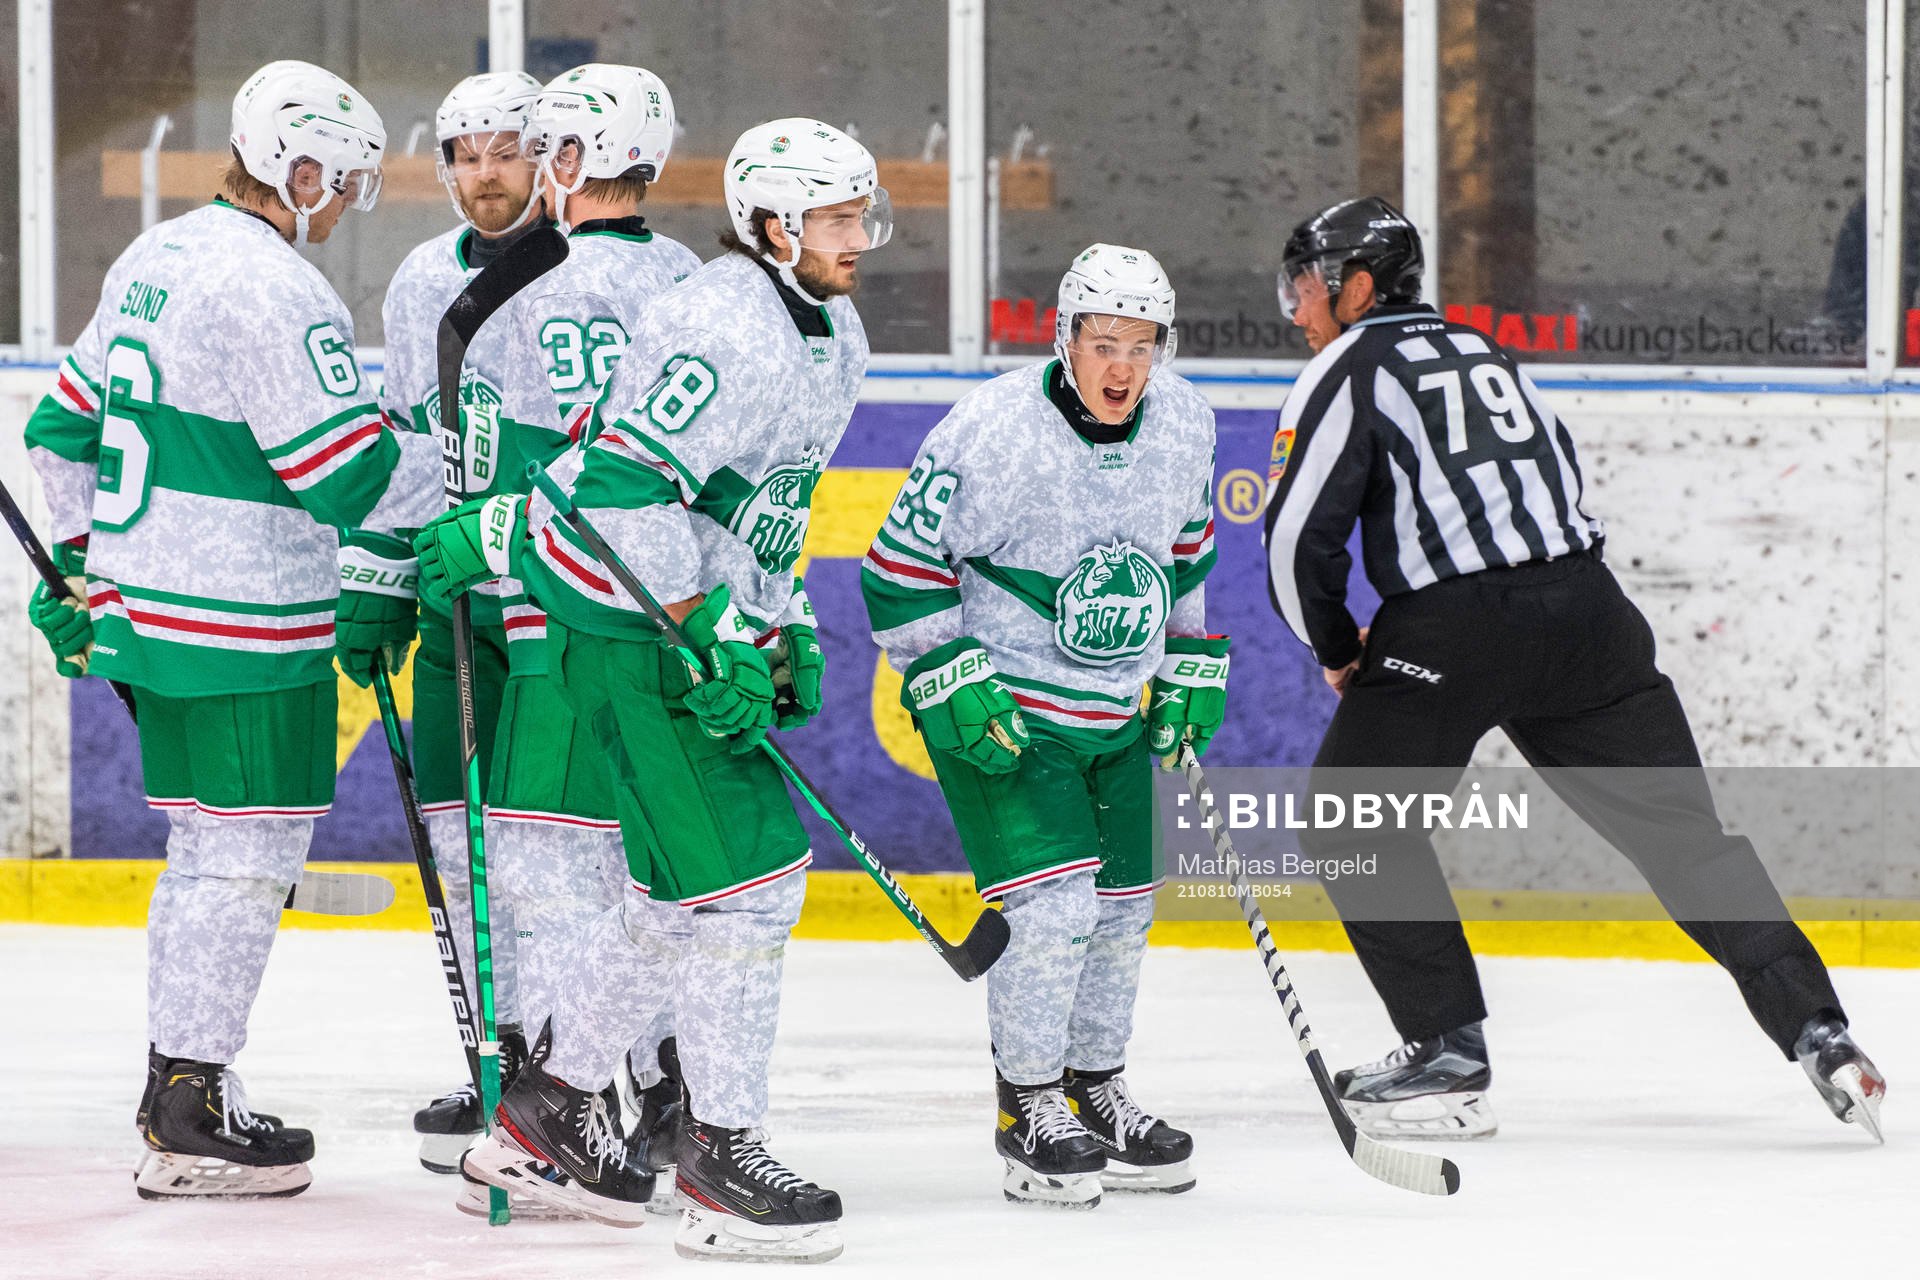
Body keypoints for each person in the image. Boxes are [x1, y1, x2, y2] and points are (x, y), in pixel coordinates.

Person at [1261, 195, 1887, 1144]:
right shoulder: (1490, 353)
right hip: (1591, 614)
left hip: (1455, 629)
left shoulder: (1345, 370)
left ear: (1355, 288)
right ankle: (1820, 1030)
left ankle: (1446, 1051)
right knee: (1687, 841)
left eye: (1306, 286)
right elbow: (1553, 478)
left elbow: (1296, 543)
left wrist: (1341, 651)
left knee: (1351, 817)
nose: (1299, 308)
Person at [414, 118, 886, 1262]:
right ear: (773, 225)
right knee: (748, 885)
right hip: (618, 625)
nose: (860, 239)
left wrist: (780, 623)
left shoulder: (833, 329)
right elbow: (621, 489)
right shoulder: (727, 322)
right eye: (836, 218)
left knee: (681, 898)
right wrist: (707, 626)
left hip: (674, 620)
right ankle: (720, 1154)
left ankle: (552, 1112)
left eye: (864, 216)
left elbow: (770, 502)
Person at [22, 60, 441, 1199]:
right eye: (343, 179)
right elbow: (347, 475)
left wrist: (79, 560)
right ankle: (191, 1098)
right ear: (296, 166)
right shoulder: (275, 289)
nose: (348, 201)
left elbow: (59, 433)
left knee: (206, 853)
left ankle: (179, 1087)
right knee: (243, 863)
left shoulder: (154, 256)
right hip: (246, 624)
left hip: (147, 620)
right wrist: (475, 479)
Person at [860, 244, 1221, 1208]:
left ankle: (1096, 1089)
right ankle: (1030, 1107)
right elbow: (896, 569)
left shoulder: (1185, 421)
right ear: (1065, 337)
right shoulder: (993, 430)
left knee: (1125, 907)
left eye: (1143, 347)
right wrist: (946, 673)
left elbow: (1186, 546)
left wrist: (1189, 660)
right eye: (1105, 343)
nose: (1123, 369)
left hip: (1114, 709)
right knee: (1056, 911)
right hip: (1006, 711)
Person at [467, 61, 702, 1209]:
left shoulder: (520, 286)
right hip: (667, 626)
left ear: (564, 159)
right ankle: (660, 1092)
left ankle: (566, 1114)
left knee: (552, 878)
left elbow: (493, 480)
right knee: (647, 875)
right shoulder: (707, 285)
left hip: (550, 618)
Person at [372, 66, 545, 1182]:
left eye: (504, 153)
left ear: (547, 159)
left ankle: (606, 1064)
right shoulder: (417, 279)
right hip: (453, 603)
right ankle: (501, 1054)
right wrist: (379, 573)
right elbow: (404, 439)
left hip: (555, 603)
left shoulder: (582, 271)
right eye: (464, 156)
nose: (483, 175)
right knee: (457, 827)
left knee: (560, 845)